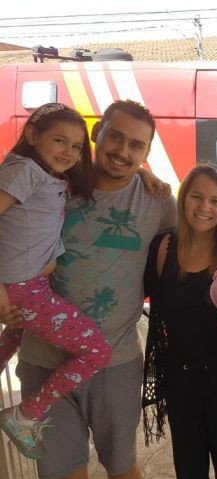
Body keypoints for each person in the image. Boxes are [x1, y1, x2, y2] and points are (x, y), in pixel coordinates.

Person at [4, 99, 176, 479]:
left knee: (121, 464)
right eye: (115, 136)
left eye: (137, 145)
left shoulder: (157, 202)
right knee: (65, 471)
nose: (122, 150)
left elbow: (189, 256)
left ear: (146, 153)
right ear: (97, 135)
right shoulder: (57, 183)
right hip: (43, 358)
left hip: (116, 361)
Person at [0, 103, 112, 460]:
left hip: (30, 283)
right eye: (59, 140)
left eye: (77, 146)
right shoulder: (25, 170)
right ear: (33, 136)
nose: (69, 152)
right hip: (22, 288)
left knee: (15, 333)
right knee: (96, 351)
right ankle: (23, 416)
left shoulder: (49, 176)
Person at [142, 163, 217, 479]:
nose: (205, 207)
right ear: (183, 199)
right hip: (180, 378)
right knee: (189, 472)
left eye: (216, 200)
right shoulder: (162, 247)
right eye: (197, 197)